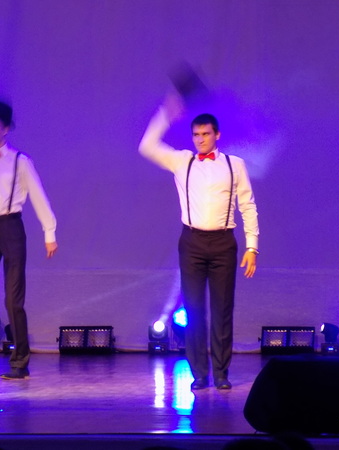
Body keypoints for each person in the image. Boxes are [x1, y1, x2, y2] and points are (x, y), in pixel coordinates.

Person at [138, 93, 259, 390]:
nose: (200, 139)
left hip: (223, 243)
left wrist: (252, 246)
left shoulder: (235, 165)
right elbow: (147, 146)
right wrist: (165, 114)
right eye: (196, 135)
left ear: (217, 135)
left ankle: (221, 372)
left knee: (222, 310)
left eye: (206, 134)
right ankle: (200, 373)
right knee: (193, 310)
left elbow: (248, 206)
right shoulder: (182, 161)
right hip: (192, 242)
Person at [0, 100, 58, 380]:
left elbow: (37, 194)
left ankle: (20, 362)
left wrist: (49, 232)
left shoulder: (20, 161)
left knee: (13, 299)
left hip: (11, 228)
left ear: (6, 129)